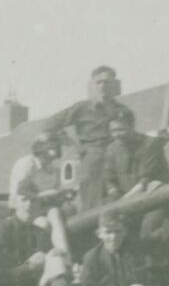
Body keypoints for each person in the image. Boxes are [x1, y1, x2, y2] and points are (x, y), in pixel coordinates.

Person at [104, 112, 169, 286]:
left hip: (157, 200)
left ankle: (160, 271)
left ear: (131, 127)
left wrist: (122, 202)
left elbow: (144, 182)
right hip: (131, 203)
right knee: (117, 233)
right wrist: (113, 193)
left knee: (147, 234)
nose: (117, 134)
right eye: (113, 131)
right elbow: (109, 178)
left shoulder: (150, 145)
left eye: (121, 129)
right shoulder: (112, 149)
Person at [43, 66, 134, 210]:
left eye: (107, 82)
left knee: (122, 197)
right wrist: (73, 145)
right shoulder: (82, 108)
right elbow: (51, 124)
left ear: (114, 84)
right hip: (93, 156)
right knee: (92, 201)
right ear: (93, 85)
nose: (102, 86)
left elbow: (131, 136)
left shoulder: (123, 111)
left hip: (117, 156)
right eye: (99, 82)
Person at [8, 133, 71, 254]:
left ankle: (65, 252)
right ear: (41, 150)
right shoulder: (27, 164)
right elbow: (22, 194)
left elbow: (56, 192)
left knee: (65, 211)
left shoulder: (54, 169)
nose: (51, 159)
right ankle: (60, 254)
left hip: (43, 207)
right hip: (23, 209)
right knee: (48, 220)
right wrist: (51, 194)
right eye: (50, 150)